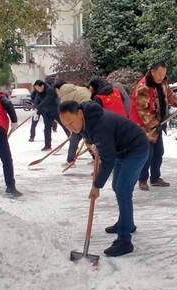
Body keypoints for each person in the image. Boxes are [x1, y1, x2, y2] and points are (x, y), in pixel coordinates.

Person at [59, 100, 149, 257]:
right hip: (122, 149)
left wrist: (96, 185)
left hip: (136, 148)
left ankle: (124, 240)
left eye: (71, 122)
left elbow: (108, 161)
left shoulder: (99, 125)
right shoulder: (86, 122)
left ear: (80, 113)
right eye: (66, 125)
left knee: (122, 190)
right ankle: (127, 223)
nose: (70, 127)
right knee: (117, 186)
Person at [129, 60, 177, 191]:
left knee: (158, 152)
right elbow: (141, 109)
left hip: (157, 124)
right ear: (152, 71)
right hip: (142, 125)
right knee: (146, 153)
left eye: (163, 74)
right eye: (159, 74)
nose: (161, 77)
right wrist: (154, 124)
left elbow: (169, 95)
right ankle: (142, 179)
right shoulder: (143, 86)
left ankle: (155, 178)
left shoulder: (163, 82)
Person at [54, 79, 92, 168]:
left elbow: (66, 115)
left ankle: (70, 161)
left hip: (83, 116)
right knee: (90, 139)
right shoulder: (79, 88)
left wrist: (71, 130)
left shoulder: (65, 96)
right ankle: (96, 159)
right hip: (93, 112)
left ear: (58, 89)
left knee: (75, 138)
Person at [32, 79, 69, 151]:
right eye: (36, 88)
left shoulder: (50, 90)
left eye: (38, 88)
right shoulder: (38, 91)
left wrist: (37, 108)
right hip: (47, 112)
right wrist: (36, 110)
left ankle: (71, 139)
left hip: (56, 111)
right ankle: (47, 145)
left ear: (42, 86)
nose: (37, 90)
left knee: (64, 125)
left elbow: (46, 101)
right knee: (47, 128)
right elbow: (37, 100)